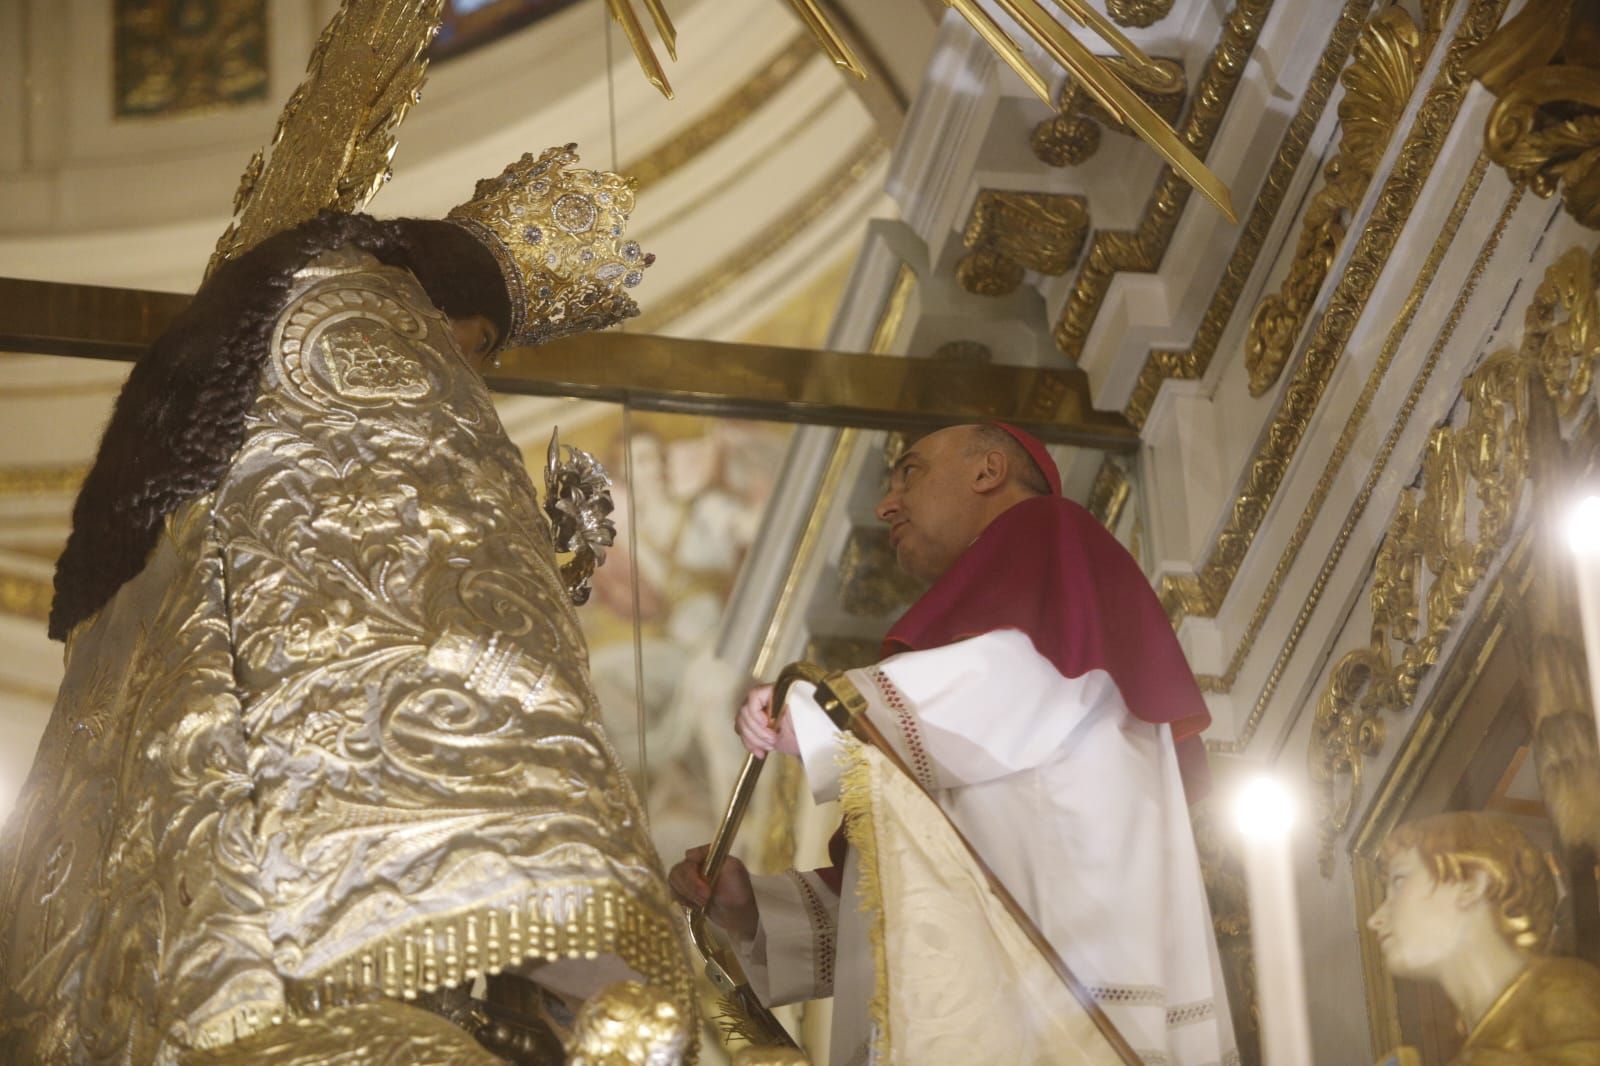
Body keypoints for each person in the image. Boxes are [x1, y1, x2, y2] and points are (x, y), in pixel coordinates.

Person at [0, 145, 690, 1063]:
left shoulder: (257, 332)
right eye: (478, 348)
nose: (468, 377)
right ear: (450, 304)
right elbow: (440, 541)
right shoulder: (370, 318)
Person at [670, 422, 1237, 1065]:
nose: (887, 504)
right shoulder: (952, 727)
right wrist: (753, 914)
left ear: (987, 471)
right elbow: (915, 894)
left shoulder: (1049, 534)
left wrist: (827, 711)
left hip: (1064, 1002)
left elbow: (1022, 677)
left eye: (909, 471)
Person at [1369, 812, 1600, 1064]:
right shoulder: (1484, 1040)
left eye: (1399, 881)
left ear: (1471, 882)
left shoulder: (1565, 1000)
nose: (1375, 919)